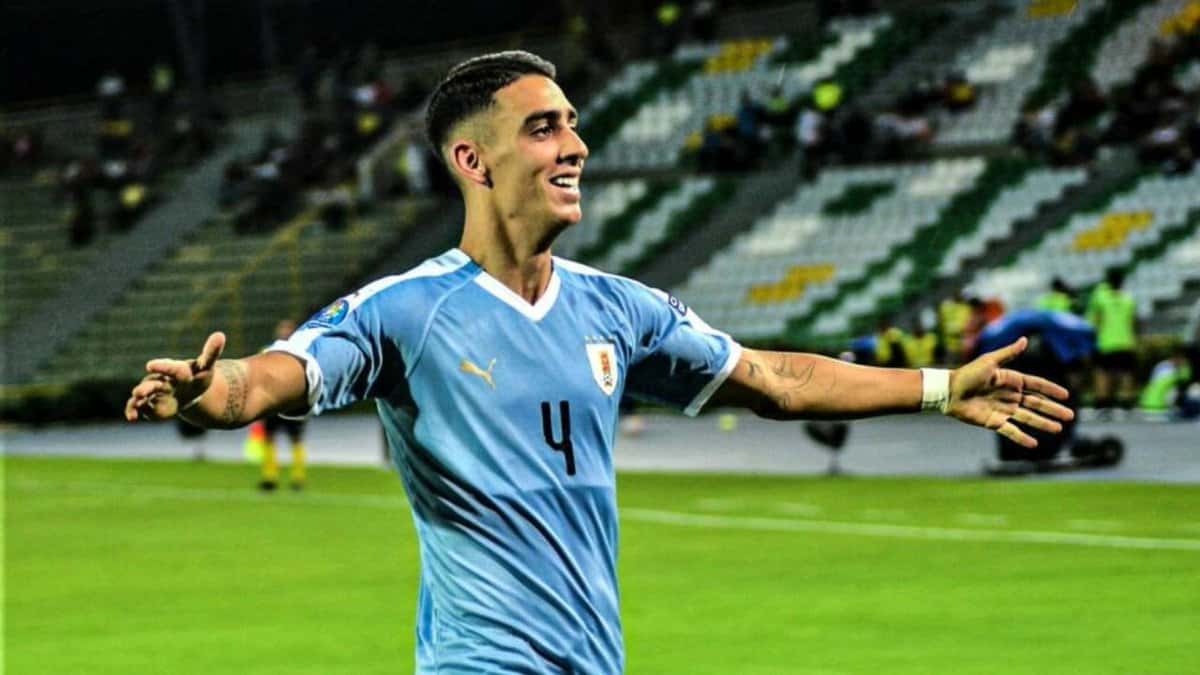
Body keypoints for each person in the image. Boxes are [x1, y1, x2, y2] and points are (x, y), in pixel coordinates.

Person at [125, 51, 1073, 674]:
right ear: (473, 158)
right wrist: (210, 391)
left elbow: (774, 379)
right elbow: (266, 380)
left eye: (572, 123)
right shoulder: (406, 310)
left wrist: (944, 387)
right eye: (543, 127)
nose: (575, 144)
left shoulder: (620, 308)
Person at [257, 319, 308, 491]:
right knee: (269, 438)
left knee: (296, 439)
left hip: (293, 403)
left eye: (288, 329)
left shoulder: (301, 351)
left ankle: (298, 477)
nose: (284, 332)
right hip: (272, 404)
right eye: (282, 328)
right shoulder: (267, 351)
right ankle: (270, 477)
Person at [1086, 269, 1140, 411]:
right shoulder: (1129, 299)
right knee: (1126, 373)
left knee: (1102, 373)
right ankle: (1126, 403)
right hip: (1126, 342)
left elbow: (1094, 321)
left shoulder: (1100, 298)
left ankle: (1103, 403)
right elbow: (1134, 322)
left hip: (1105, 343)